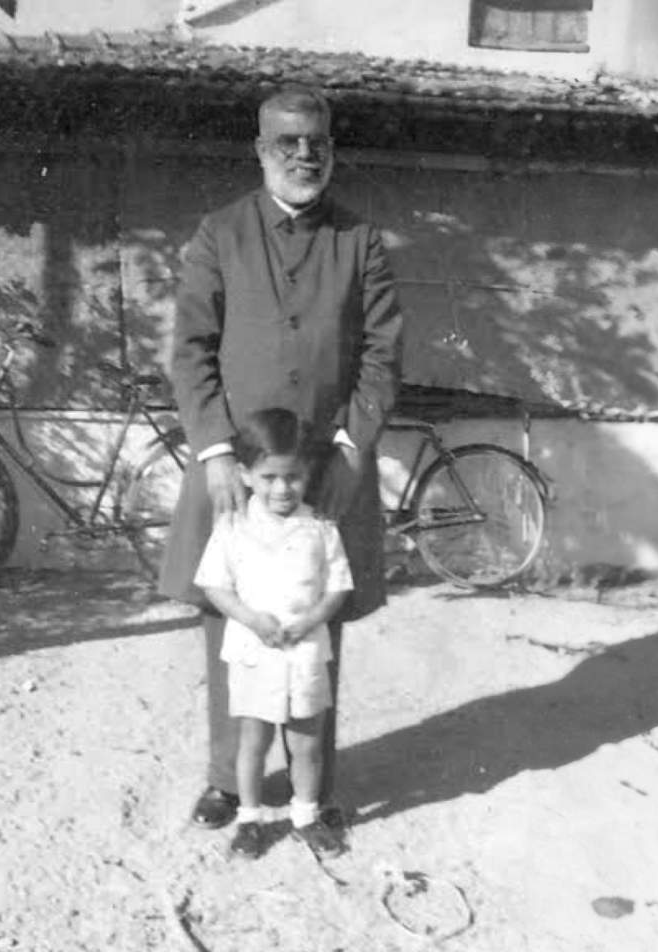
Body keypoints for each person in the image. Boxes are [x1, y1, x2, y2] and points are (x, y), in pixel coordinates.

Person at [158, 83, 404, 856]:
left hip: (324, 472)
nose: (304, 155)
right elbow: (191, 351)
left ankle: (313, 794)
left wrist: (351, 449)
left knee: (315, 627)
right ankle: (228, 781)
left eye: (317, 143)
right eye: (287, 143)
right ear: (261, 150)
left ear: (332, 149)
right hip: (238, 472)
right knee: (227, 626)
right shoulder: (221, 233)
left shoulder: (360, 241)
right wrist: (215, 452)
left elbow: (382, 356)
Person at [194, 408, 353, 860]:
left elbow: (338, 587)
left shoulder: (320, 527)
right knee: (253, 742)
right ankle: (250, 820)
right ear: (244, 475)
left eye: (293, 477)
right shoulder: (232, 526)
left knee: (307, 743)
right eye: (268, 478)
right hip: (254, 650)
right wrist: (250, 618)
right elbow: (214, 585)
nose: (282, 489)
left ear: (308, 474)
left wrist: (310, 620)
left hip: (304, 652)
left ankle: (304, 817)